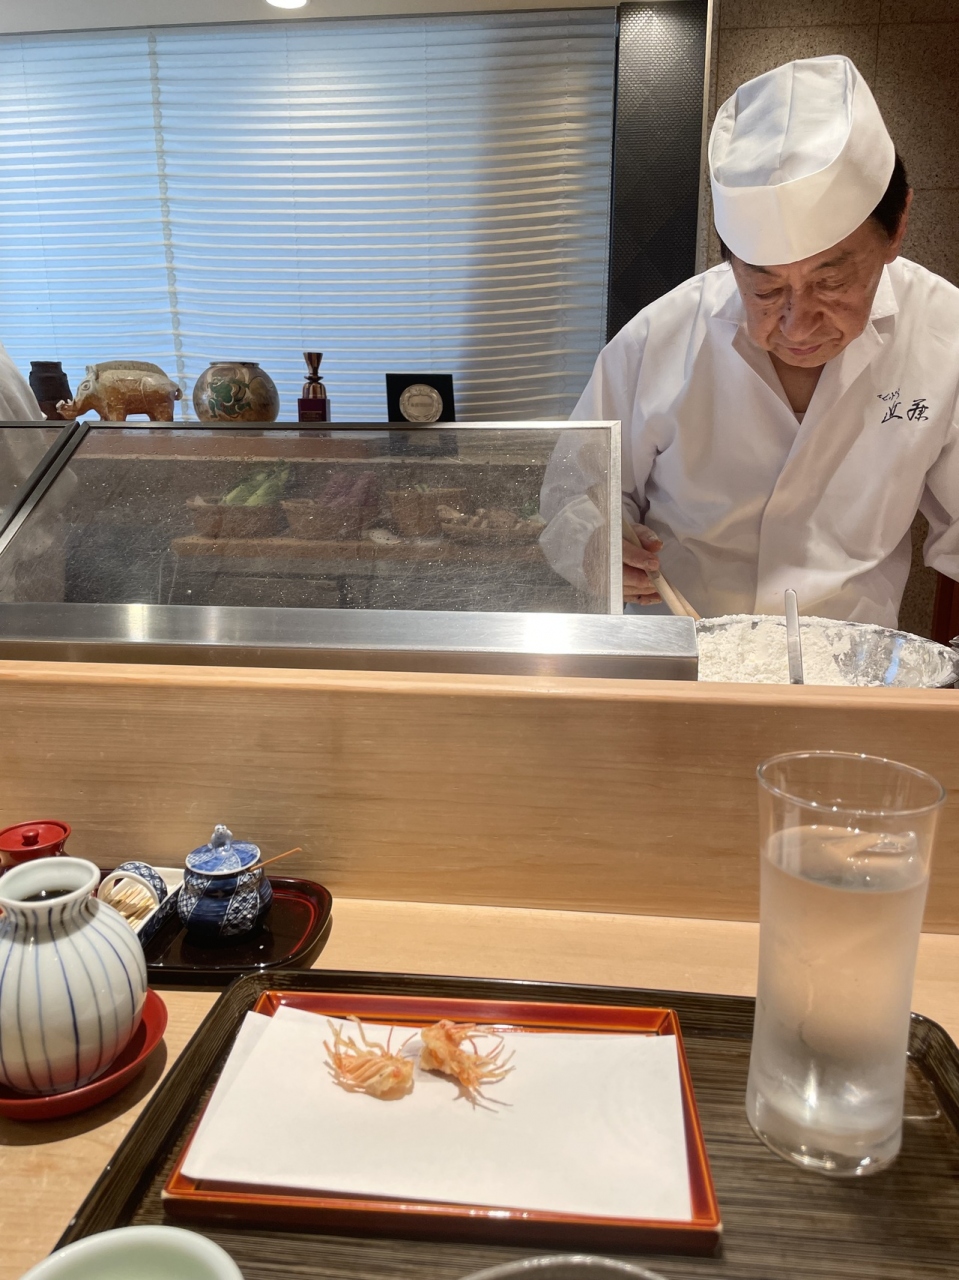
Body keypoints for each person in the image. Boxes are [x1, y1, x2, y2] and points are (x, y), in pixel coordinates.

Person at [540, 55, 959, 626]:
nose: (796, 326)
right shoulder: (659, 337)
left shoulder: (943, 335)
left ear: (898, 227)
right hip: (680, 656)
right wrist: (596, 548)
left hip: (847, 662)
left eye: (832, 283)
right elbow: (572, 495)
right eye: (764, 289)